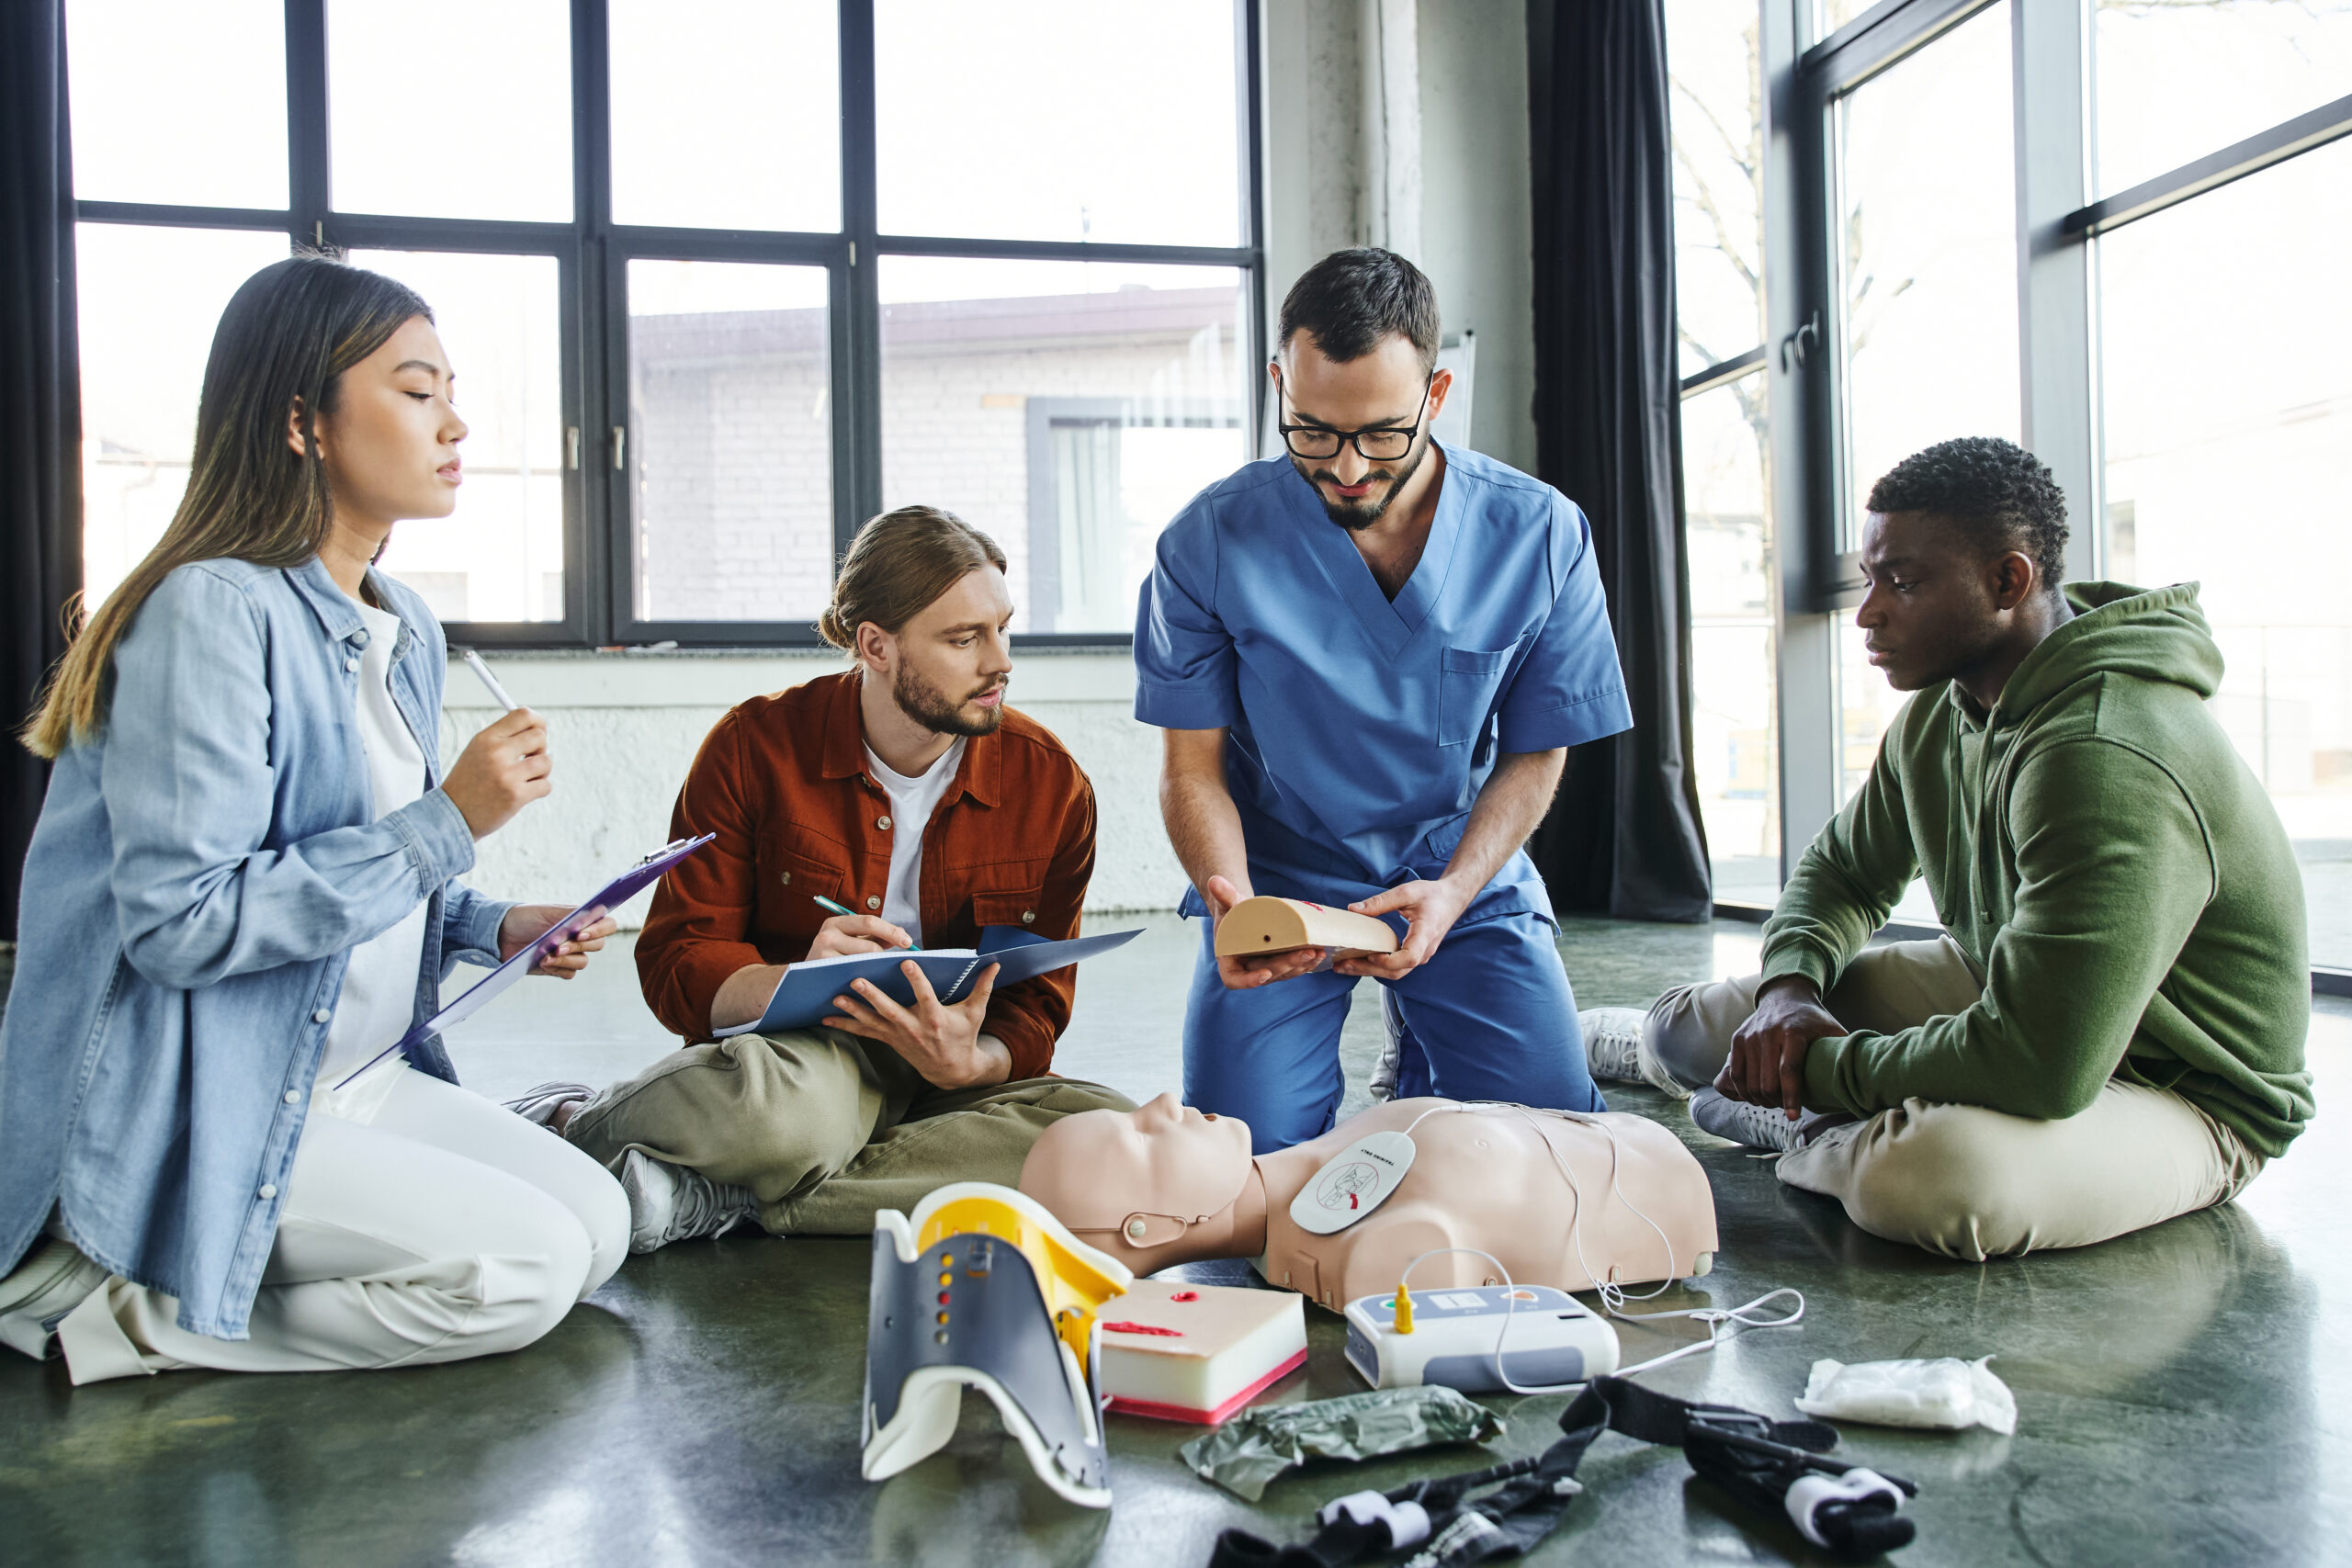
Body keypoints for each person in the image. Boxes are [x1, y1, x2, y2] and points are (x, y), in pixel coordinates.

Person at [0, 257, 630, 1382]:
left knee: (599, 1227)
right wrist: (451, 818)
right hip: (215, 1110)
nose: (456, 424)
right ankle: (112, 1315)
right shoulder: (210, 610)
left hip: (351, 1078)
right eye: (418, 390)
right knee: (530, 1269)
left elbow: (355, 871)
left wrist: (491, 925)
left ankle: (209, 1279)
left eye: (449, 392)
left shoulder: (405, 623)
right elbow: (183, 924)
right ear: (304, 423)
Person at [1584, 437, 2310, 1260]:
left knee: (1930, 1180)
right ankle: (1725, 1078)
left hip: (2185, 1089)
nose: (1868, 612)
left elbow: (2041, 1063)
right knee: (1692, 1030)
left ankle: (1800, 1120)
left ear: (2008, 581)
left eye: (1903, 583)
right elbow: (1844, 872)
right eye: (1869, 579)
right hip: (2011, 989)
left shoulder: (2105, 752)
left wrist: (1816, 1070)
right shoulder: (1946, 707)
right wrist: (1788, 992)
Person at [511, 507, 1134, 1251]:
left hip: (950, 1084)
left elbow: (1035, 1008)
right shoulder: (753, 748)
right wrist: (794, 979)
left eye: (1003, 628)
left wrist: (976, 1060)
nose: (1000, 661)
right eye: (965, 639)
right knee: (782, 1118)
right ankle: (577, 1124)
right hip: (804, 1060)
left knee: (1114, 1141)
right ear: (876, 645)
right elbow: (677, 962)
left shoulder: (1053, 785)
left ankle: (727, 1194)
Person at [1134, 247, 1633, 1152]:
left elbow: (1537, 750)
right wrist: (1234, 905)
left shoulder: (1541, 533)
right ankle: (1408, 1043)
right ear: (1280, 385)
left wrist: (1456, 889)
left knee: (1551, 1145)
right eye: (1313, 431)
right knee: (1241, 1160)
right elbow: (1191, 768)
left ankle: (1425, 1047)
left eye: (1382, 434)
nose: (1349, 467)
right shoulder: (1205, 542)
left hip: (1457, 870)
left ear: (1435, 395)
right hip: (1279, 880)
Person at [1017, 1092, 1717, 1314]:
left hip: (1639, 1147)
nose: (1162, 1103)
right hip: (1669, 1194)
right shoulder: (1374, 1258)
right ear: (1144, 1228)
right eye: (1140, 1137)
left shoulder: (1333, 1159)